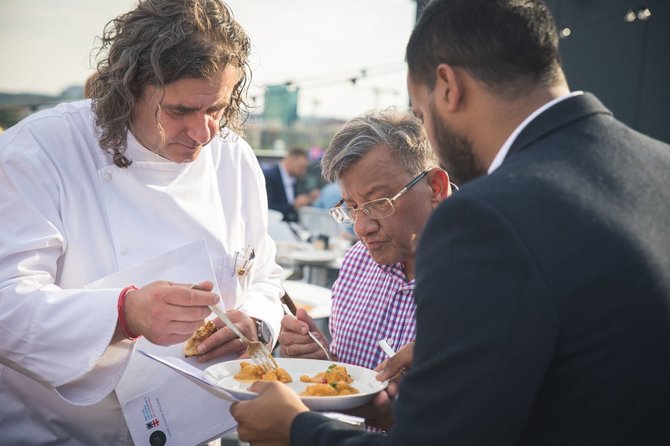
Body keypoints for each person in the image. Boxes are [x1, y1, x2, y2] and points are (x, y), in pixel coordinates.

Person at [230, 0, 670, 444]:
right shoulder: (661, 168)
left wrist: (296, 428)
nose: (429, 135)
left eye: (421, 113)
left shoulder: (486, 215)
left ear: (447, 86)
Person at [0, 0, 283, 444]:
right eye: (179, 110)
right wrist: (123, 314)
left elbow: (264, 273)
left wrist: (256, 322)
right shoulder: (40, 149)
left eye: (216, 109)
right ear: (129, 89)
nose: (203, 132)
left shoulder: (234, 158)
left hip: (196, 428)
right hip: (59, 431)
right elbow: (6, 303)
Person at [279, 109, 451, 373]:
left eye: (379, 203)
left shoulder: (491, 271)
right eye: (352, 207)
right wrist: (323, 363)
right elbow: (351, 378)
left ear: (435, 187)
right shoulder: (357, 262)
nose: (361, 227)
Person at [263, 146, 320, 222]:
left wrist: (309, 198)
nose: (304, 172)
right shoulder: (270, 177)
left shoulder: (296, 179)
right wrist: (293, 206)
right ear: (291, 160)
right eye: (301, 167)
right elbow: (267, 207)